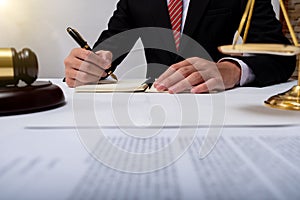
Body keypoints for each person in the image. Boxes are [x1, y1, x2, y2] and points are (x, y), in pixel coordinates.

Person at [64, 0, 296, 93]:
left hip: (217, 106)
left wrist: (232, 70)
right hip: (151, 111)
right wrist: (86, 66)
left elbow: (281, 57)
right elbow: (108, 51)